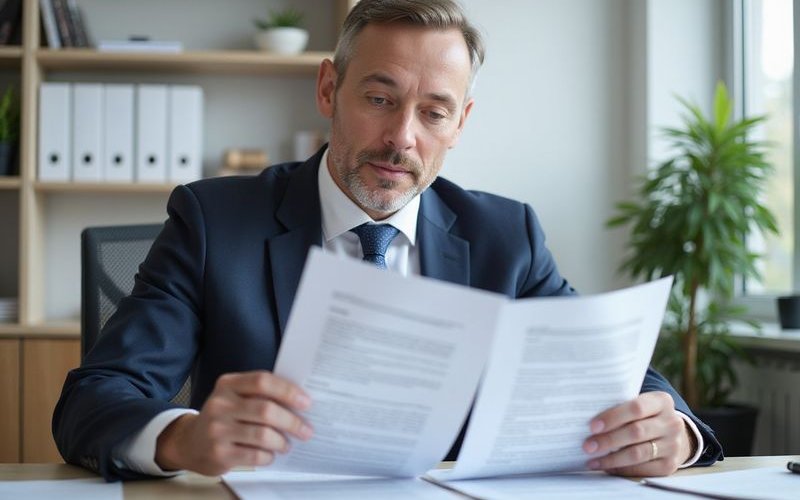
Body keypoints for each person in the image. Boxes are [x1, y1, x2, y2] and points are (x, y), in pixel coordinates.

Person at [53, 0, 722, 481]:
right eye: (380, 99)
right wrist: (185, 438)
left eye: (433, 112)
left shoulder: (504, 236)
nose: (402, 138)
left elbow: (613, 374)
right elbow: (94, 400)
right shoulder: (214, 221)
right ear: (329, 89)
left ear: (460, 123)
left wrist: (676, 432)